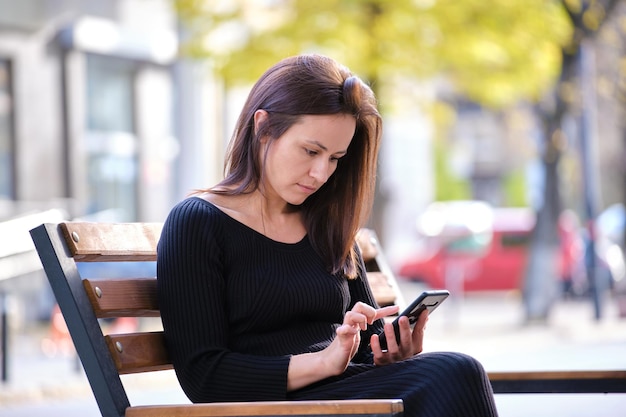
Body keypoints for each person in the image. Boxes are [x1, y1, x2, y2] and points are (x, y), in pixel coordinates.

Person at [157, 54, 499, 417]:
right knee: (455, 372)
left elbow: (365, 348)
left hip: (340, 396)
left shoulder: (325, 223)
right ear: (263, 127)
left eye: (335, 158)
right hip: (272, 407)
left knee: (452, 374)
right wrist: (322, 362)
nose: (321, 173)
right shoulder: (197, 222)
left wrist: (390, 355)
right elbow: (204, 377)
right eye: (310, 151)